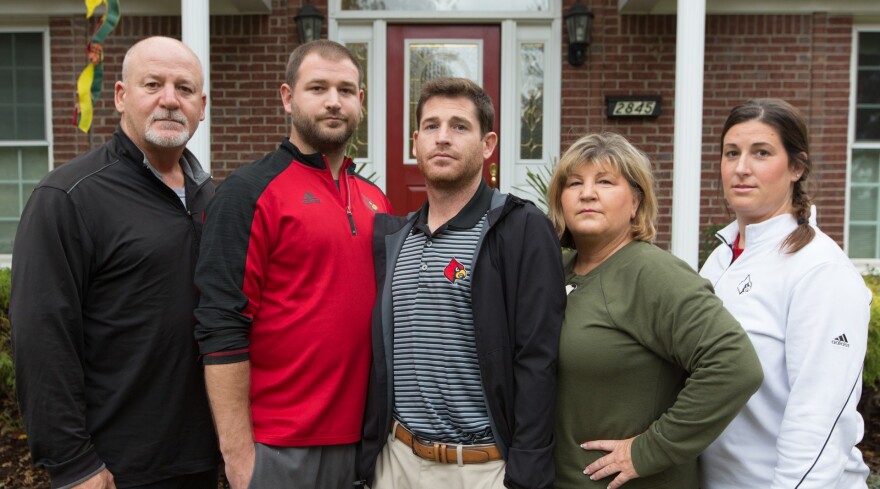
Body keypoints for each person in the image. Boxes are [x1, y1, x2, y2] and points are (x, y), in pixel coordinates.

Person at [10, 36, 218, 489]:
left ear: (201, 106)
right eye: (152, 84)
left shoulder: (211, 197)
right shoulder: (68, 198)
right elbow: (42, 336)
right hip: (115, 468)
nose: (169, 99)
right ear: (122, 96)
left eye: (184, 89)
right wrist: (72, 464)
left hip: (201, 459)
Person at [193, 40, 392, 489]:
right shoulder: (248, 192)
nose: (333, 101)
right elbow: (220, 325)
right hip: (277, 448)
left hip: (361, 444)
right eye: (317, 88)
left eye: (346, 90)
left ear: (360, 101)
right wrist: (239, 456)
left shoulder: (376, 200)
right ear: (287, 97)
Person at [355, 77, 566, 489]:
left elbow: (538, 359)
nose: (443, 138)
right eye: (431, 127)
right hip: (396, 462)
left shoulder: (520, 228)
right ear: (415, 142)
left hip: (482, 468)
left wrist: (525, 475)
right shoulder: (396, 238)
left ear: (488, 145)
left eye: (459, 126)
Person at [547, 132, 763, 489]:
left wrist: (650, 449)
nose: (587, 193)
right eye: (574, 183)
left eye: (604, 181)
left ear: (635, 202)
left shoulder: (652, 272)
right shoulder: (556, 269)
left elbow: (735, 366)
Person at [699, 99, 871, 488]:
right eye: (731, 153)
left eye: (761, 153)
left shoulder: (821, 271)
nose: (741, 168)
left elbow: (819, 417)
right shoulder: (720, 259)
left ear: (797, 167)